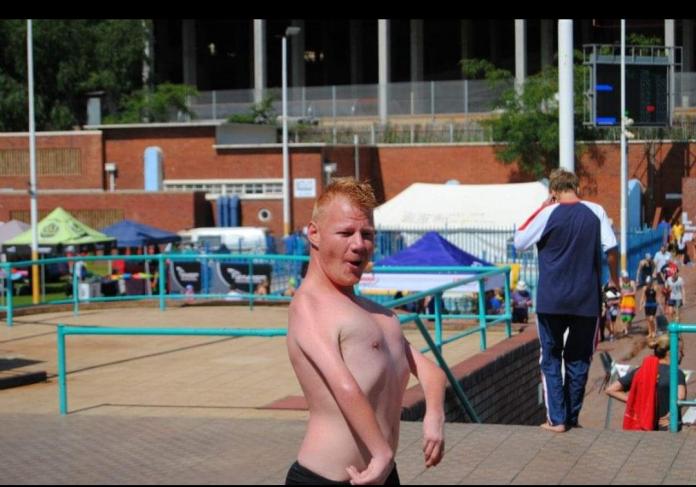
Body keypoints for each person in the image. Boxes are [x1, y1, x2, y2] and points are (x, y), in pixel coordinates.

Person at [285, 178, 446, 485]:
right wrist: (381, 452)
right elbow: (344, 386)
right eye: (346, 232)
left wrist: (434, 415)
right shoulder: (308, 306)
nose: (359, 244)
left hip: (381, 473)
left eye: (367, 234)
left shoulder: (380, 315)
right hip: (325, 478)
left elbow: (432, 373)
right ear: (314, 234)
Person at [514, 168, 618, 433]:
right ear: (577, 188)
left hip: (552, 300)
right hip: (587, 300)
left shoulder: (548, 213)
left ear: (554, 192)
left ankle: (557, 420)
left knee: (550, 357)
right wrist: (614, 279)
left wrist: (542, 207)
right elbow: (612, 247)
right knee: (579, 359)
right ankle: (571, 417)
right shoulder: (596, 212)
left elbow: (520, 240)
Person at [605, 335, 687, 431]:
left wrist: (635, 401)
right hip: (667, 427)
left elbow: (610, 390)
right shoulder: (676, 373)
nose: (683, 354)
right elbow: (681, 397)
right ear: (670, 353)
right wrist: (672, 415)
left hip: (644, 427)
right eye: (680, 351)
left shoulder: (641, 371)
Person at [619, 271, 637, 337]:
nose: (625, 279)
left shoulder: (632, 283)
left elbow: (634, 292)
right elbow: (620, 292)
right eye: (624, 278)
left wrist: (627, 294)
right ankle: (626, 330)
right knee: (624, 317)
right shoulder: (621, 283)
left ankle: (628, 328)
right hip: (624, 301)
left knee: (629, 317)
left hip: (630, 301)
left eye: (626, 277)